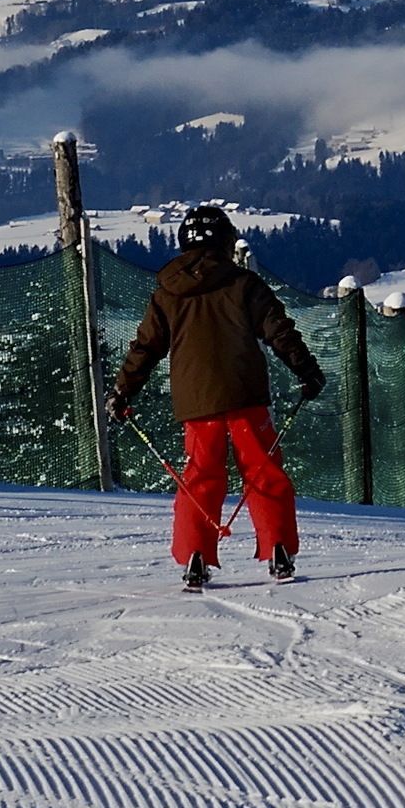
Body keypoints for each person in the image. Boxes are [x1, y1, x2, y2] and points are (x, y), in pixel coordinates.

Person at [110, 202, 326, 589]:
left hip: (196, 403)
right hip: (246, 395)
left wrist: (122, 392)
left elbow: (145, 348)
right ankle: (278, 549)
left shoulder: (167, 293)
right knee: (262, 470)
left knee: (201, 476)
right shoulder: (244, 285)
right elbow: (280, 331)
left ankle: (195, 555)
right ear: (226, 242)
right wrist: (307, 372)